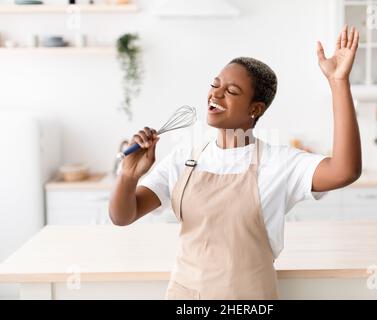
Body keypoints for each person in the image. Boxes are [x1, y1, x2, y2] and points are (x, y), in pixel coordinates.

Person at [109, 25, 362, 300]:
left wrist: (338, 82)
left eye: (231, 90)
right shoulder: (185, 158)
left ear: (256, 109)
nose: (216, 94)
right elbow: (123, 216)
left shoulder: (279, 163)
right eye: (215, 85)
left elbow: (345, 171)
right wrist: (127, 176)